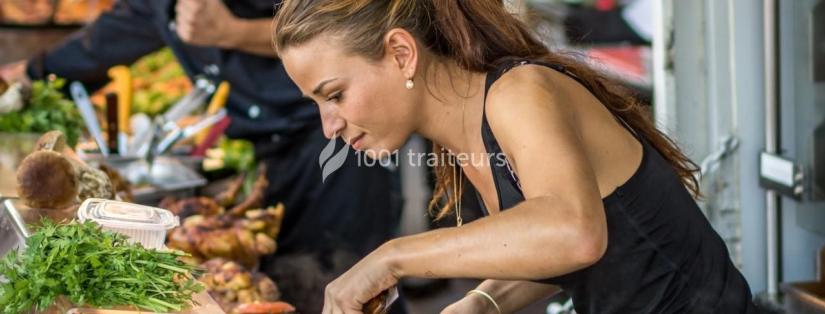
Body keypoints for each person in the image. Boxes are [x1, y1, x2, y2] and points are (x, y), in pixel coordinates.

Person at [271, 0, 757, 313]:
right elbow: (554, 246)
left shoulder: (518, 93)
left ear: (401, 53)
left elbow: (575, 233)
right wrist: (485, 300)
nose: (329, 126)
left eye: (334, 95)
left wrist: (392, 258)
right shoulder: (461, 135)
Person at [0, 0, 402, 312]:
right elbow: (121, 29)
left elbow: (350, 29)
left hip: (337, 146)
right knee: (281, 282)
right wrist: (31, 74)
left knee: (354, 290)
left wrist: (232, 31)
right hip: (263, 153)